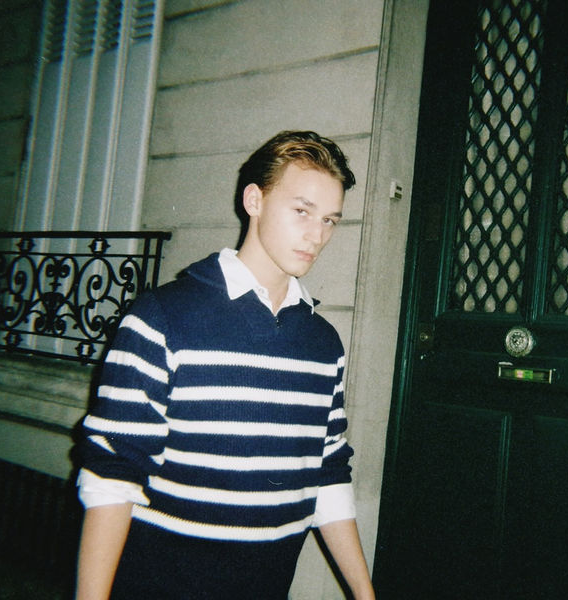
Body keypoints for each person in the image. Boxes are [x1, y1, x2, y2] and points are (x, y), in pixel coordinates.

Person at [74, 130, 375, 599]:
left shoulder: (323, 343)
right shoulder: (163, 317)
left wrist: (364, 592)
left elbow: (328, 472)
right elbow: (112, 474)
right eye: (302, 211)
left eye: (329, 220)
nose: (317, 235)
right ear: (254, 200)